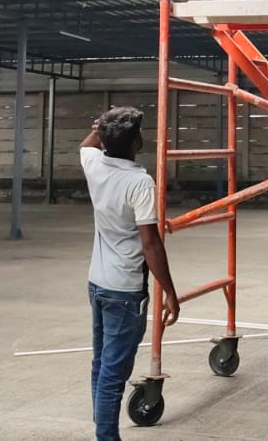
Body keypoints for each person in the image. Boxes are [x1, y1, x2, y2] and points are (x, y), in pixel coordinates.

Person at [80, 107, 179, 441]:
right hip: (125, 290)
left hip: (98, 282)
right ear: (136, 141)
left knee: (101, 365)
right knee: (113, 374)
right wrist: (170, 291)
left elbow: (87, 145)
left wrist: (100, 127)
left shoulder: (94, 165)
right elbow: (150, 243)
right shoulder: (139, 183)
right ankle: (106, 436)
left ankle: (102, 428)